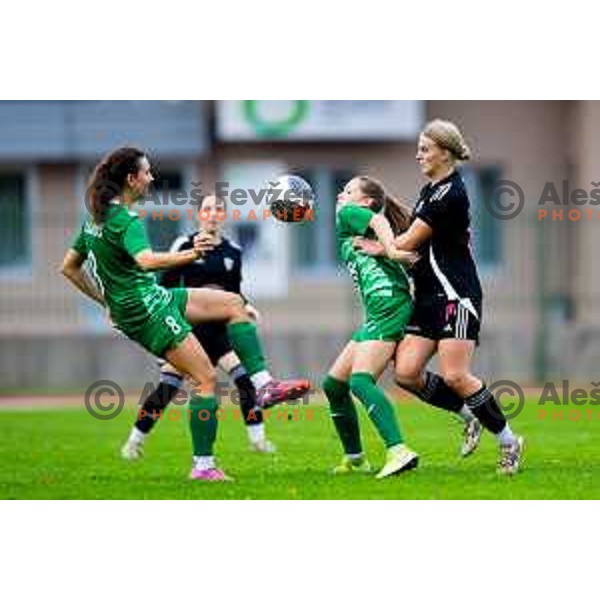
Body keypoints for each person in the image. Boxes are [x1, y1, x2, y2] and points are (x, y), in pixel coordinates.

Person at [61, 147, 310, 482]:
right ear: (131, 179)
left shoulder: (95, 219)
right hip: (148, 309)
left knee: (234, 304)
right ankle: (203, 466)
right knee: (205, 379)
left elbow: (69, 268)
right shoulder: (126, 220)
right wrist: (191, 254)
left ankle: (264, 386)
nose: (151, 178)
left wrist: (106, 302)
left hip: (152, 299)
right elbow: (147, 261)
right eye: (146, 172)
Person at [355, 120, 524, 475]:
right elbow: (414, 241)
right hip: (427, 296)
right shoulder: (430, 190)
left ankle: (509, 440)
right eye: (418, 147)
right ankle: (469, 416)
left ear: (445, 153)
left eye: (425, 148)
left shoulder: (451, 193)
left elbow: (409, 242)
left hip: (455, 293)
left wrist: (376, 245)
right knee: (406, 372)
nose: (418, 154)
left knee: (456, 376)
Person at [121, 194, 276, 459]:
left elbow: (234, 291)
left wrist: (246, 305)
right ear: (199, 215)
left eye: (218, 209)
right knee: (168, 387)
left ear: (224, 215)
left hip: (218, 333)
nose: (213, 213)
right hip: (188, 331)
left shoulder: (234, 252)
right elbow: (164, 286)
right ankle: (135, 440)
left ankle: (258, 439)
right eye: (207, 209)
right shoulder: (184, 244)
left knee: (244, 379)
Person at [323, 176, 419, 479]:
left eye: (349, 191)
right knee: (333, 385)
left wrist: (389, 249)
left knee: (360, 383)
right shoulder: (350, 227)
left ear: (365, 202)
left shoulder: (347, 215)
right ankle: (355, 458)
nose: (341, 194)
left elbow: (378, 219)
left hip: (389, 306)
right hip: (378, 312)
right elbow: (378, 225)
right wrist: (388, 251)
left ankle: (398, 450)